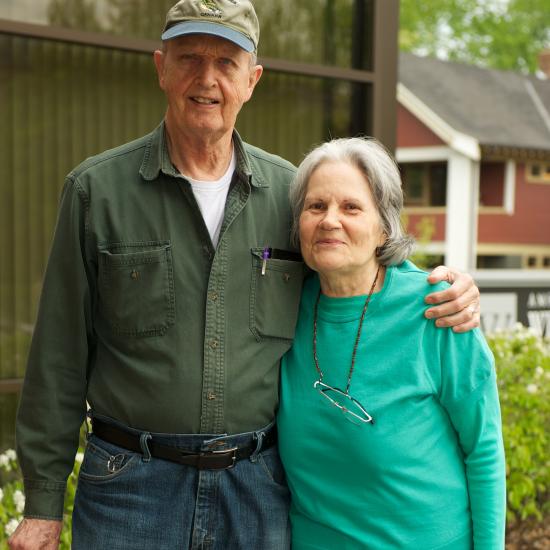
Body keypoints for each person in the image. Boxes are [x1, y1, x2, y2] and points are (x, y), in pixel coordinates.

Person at [9, 1, 481, 549]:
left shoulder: (292, 197)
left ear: (252, 79)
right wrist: (42, 502)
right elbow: (58, 357)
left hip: (256, 488)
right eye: (189, 59)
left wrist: (449, 286)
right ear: (161, 67)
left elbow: (359, 262)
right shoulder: (96, 192)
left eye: (226, 63)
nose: (206, 79)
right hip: (129, 489)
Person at [277, 137, 506, 549]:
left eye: (351, 207)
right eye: (316, 206)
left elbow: (484, 452)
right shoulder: (280, 306)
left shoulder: (437, 309)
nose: (330, 220)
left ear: (384, 226)